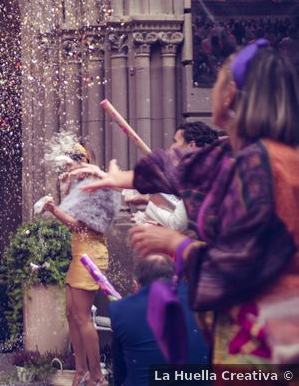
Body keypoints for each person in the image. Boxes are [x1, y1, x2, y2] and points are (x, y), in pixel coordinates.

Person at [80, 40, 299, 364]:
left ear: (231, 96)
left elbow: (244, 264)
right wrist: (115, 177)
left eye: (220, 77)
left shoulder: (263, 165)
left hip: (267, 341)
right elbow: (181, 167)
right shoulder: (238, 155)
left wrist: (175, 243)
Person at [39, 136, 120, 386]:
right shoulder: (79, 186)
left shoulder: (95, 186)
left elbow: (77, 225)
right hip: (80, 254)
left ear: (88, 161)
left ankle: (97, 376)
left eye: (78, 159)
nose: (73, 164)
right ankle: (80, 369)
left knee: (83, 316)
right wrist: (63, 193)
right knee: (72, 313)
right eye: (71, 159)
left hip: (91, 255)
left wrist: (52, 210)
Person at [110, 256, 208, 386]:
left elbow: (119, 371)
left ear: (136, 285)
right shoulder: (202, 303)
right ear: (175, 279)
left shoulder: (120, 310)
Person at [127, 122, 219, 231]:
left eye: (175, 141)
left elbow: (177, 224)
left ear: (191, 145)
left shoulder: (201, 176)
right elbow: (183, 209)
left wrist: (150, 205)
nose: (172, 147)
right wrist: (149, 199)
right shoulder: (210, 168)